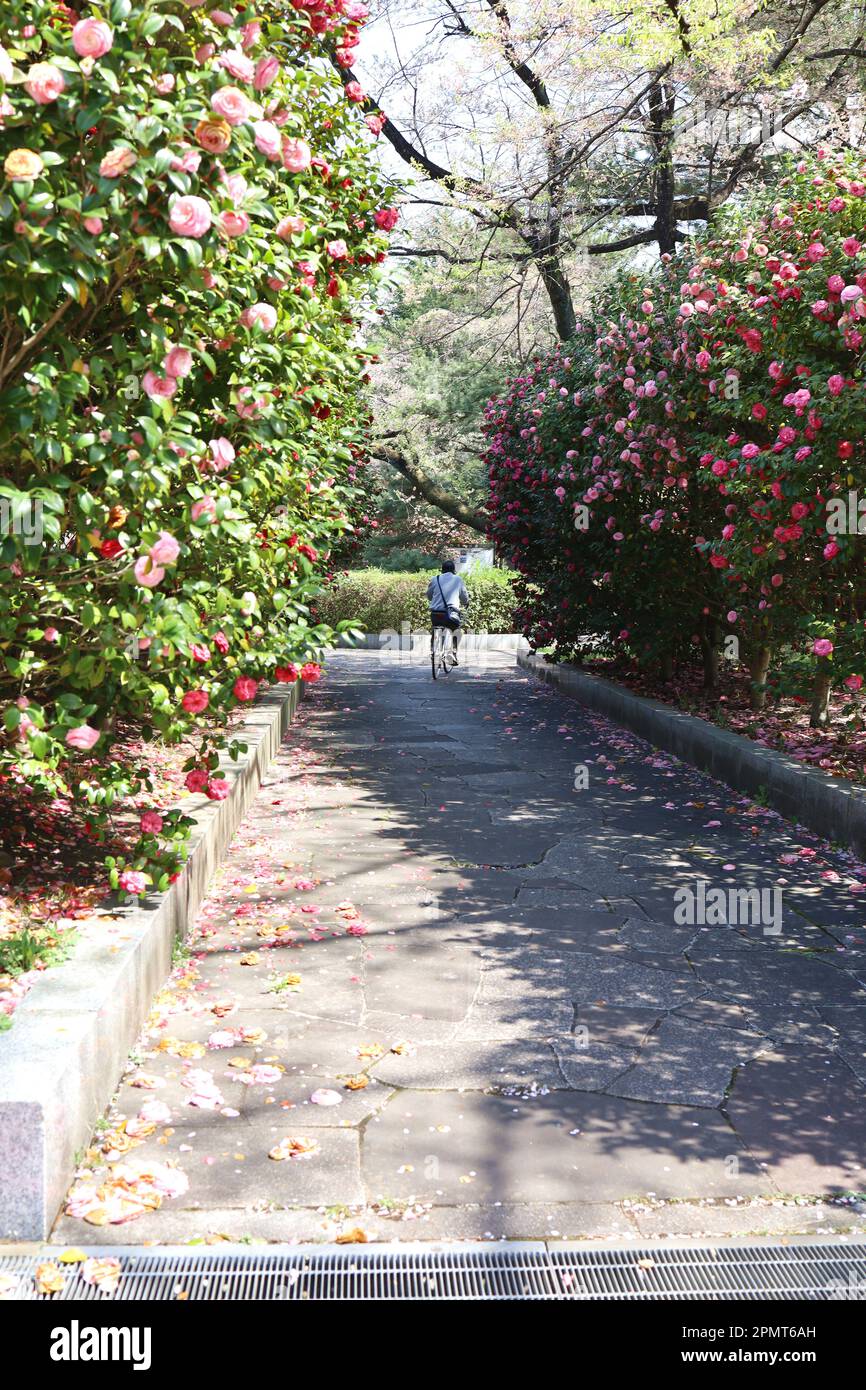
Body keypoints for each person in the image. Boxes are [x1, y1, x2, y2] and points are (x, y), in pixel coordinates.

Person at [427, 559, 470, 663]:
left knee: (436, 629)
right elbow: (464, 596)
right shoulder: (458, 579)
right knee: (456, 631)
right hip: (451, 614)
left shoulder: (435, 579)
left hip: (436, 613)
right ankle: (453, 653)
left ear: (442, 570)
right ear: (453, 570)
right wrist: (466, 602)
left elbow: (429, 595)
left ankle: (433, 651)